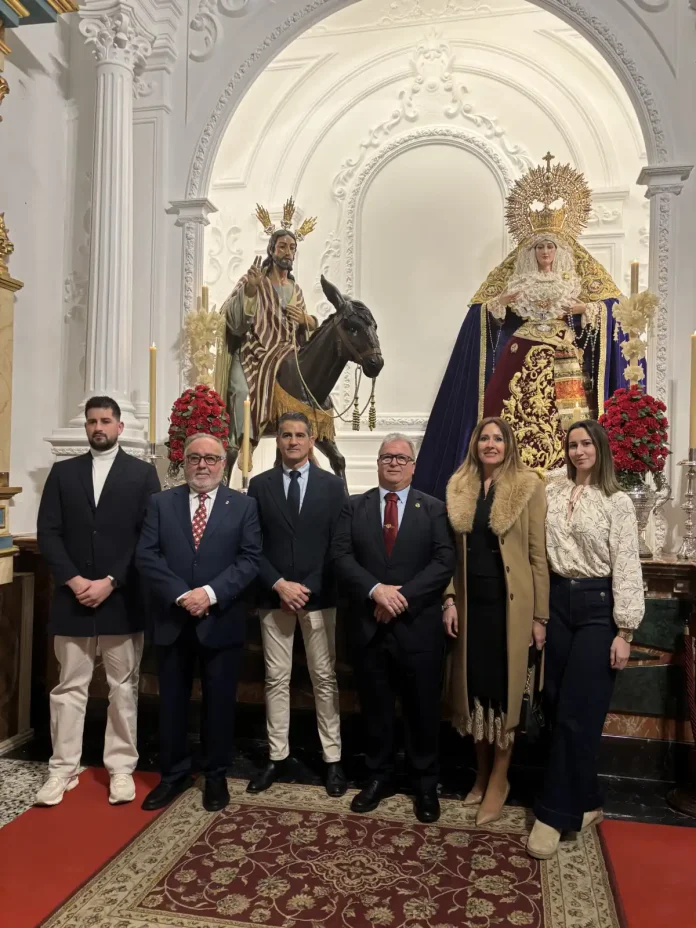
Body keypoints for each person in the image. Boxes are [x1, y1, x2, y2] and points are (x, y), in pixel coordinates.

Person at [414, 156, 634, 500]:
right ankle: (502, 484)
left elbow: (614, 309)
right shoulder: (517, 277)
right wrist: (500, 301)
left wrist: (584, 308)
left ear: (559, 250)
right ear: (531, 250)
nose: (545, 251)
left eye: (550, 246)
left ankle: (571, 487)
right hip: (521, 351)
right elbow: (484, 310)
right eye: (540, 246)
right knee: (505, 415)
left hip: (563, 357)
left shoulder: (574, 277)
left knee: (569, 420)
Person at [35, 396, 160, 806]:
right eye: (92, 421)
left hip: (120, 600)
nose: (98, 427)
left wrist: (111, 581)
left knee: (123, 688)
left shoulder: (142, 475)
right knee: (69, 687)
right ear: (86, 427)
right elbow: (49, 532)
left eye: (106, 420)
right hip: (72, 600)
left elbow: (148, 536)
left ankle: (121, 768)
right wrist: (73, 580)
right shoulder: (63, 472)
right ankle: (62, 769)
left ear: (120, 427)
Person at [527, 419, 644, 859]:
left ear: (601, 447)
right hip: (557, 600)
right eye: (573, 445)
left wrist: (625, 630)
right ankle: (588, 801)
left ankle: (553, 814)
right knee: (555, 703)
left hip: (598, 607)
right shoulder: (553, 488)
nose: (579, 451)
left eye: (586, 444)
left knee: (580, 709)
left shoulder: (617, 502)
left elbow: (628, 566)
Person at [332, 434, 455, 822]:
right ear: (378, 462)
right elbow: (339, 556)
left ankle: (424, 784)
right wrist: (376, 591)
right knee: (376, 709)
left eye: (402, 458)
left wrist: (401, 598)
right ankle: (378, 777)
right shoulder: (354, 507)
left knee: (422, 710)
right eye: (387, 457)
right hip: (369, 627)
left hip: (418, 628)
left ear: (414, 465)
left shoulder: (434, 508)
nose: (394, 463)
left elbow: (443, 560)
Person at [136, 434, 261, 813]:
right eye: (195, 458)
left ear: (224, 464)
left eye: (211, 459)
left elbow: (250, 559)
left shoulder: (243, 506)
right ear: (184, 462)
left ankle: (216, 774)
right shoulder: (161, 503)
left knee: (219, 702)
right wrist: (182, 595)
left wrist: (208, 593)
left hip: (220, 619)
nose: (202, 465)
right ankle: (173, 775)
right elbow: (147, 556)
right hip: (173, 619)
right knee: (171, 701)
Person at [443, 417, 549, 825]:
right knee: (476, 693)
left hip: (513, 608)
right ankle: (482, 772)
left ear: (509, 445)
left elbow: (538, 557)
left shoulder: (528, 486)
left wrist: (540, 617)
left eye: (498, 438)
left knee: (506, 695)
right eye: (484, 438)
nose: (491, 444)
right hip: (472, 609)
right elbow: (450, 554)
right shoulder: (460, 486)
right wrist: (448, 599)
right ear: (475, 444)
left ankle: (500, 780)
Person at [246, 412, 348, 796]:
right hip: (273, 596)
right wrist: (279, 585)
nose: (292, 441)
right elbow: (251, 545)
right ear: (279, 441)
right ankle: (277, 756)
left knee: (324, 678)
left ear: (311, 440)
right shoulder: (259, 485)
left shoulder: (332, 486)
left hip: (319, 597)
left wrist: (307, 587)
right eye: (286, 435)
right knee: (276, 678)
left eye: (299, 435)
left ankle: (333, 759)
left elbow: (338, 544)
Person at [215, 199, 318, 460]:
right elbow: (234, 322)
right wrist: (250, 292)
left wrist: (307, 320)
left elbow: (306, 335)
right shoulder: (254, 280)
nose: (288, 252)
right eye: (282, 246)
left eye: (292, 248)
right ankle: (243, 444)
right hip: (253, 353)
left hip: (284, 353)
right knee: (239, 390)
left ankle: (308, 441)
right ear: (271, 250)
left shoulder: (296, 290)